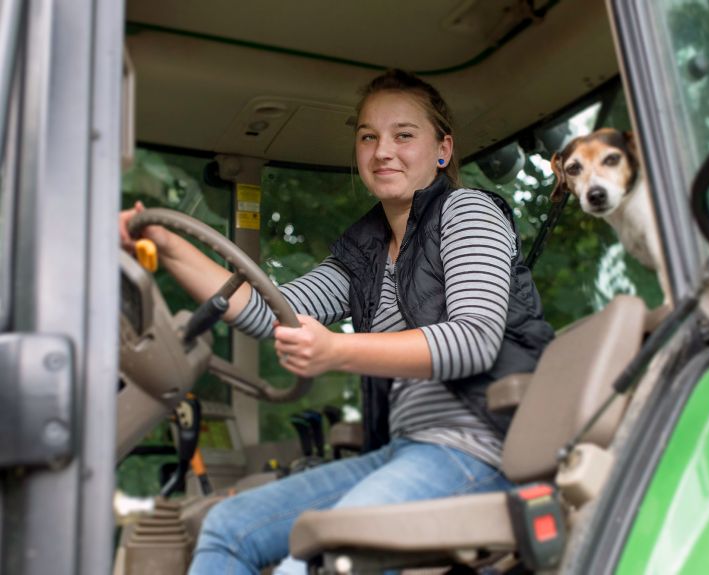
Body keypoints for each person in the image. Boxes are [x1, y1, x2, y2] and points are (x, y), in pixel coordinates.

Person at [120, 69, 554, 575]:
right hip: (402, 450)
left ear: (442, 149)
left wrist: (337, 351)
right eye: (368, 136)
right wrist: (167, 244)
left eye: (404, 135)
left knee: (318, 554)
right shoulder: (364, 252)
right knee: (228, 527)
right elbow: (266, 308)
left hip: (480, 450)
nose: (382, 150)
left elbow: (473, 340)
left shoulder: (467, 211)